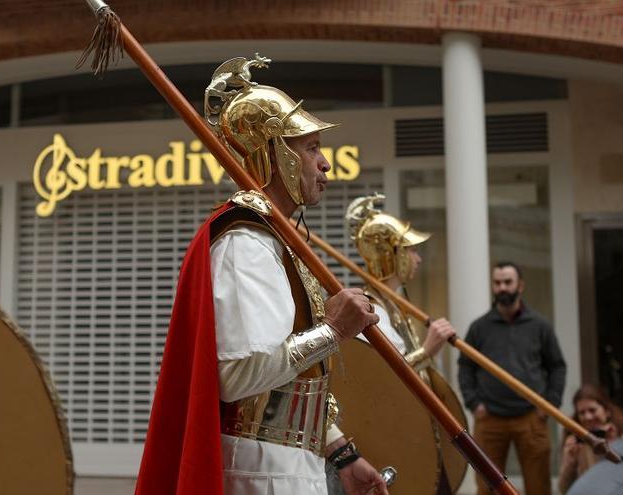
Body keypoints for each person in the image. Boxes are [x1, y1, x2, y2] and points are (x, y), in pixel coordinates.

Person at [135, 55, 389, 495]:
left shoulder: (276, 239)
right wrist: (333, 331)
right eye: (310, 148)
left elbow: (287, 389)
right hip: (260, 472)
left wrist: (341, 454)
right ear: (276, 155)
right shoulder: (245, 243)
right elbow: (239, 375)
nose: (325, 163)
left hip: (287, 463)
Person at [335, 193, 461, 494]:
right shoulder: (372, 309)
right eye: (409, 250)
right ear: (389, 254)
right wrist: (426, 352)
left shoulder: (395, 306)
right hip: (390, 435)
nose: (417, 258)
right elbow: (382, 379)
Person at [458, 261, 567, 495]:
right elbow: (465, 367)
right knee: (487, 488)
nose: (502, 288)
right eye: (497, 283)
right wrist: (473, 403)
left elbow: (557, 367)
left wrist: (550, 404)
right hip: (489, 419)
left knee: (539, 487)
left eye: (508, 282)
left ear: (521, 286)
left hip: (531, 418)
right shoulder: (479, 327)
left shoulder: (540, 326)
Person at [558, 384, 623, 493]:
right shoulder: (576, 441)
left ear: (607, 411)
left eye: (592, 410)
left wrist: (618, 445)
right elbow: (564, 489)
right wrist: (568, 464)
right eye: (582, 413)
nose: (588, 417)